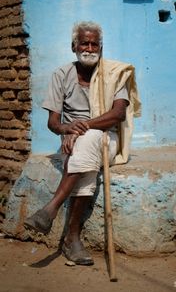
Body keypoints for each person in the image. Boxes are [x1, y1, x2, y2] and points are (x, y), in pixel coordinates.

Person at [24, 21, 141, 265]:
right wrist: (67, 129)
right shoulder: (61, 75)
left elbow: (118, 114)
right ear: (73, 46)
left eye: (94, 43)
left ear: (101, 46)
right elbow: (53, 122)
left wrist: (82, 127)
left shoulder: (114, 74)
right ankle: (72, 239)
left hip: (107, 137)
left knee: (90, 140)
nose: (89, 48)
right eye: (84, 43)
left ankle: (51, 209)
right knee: (86, 164)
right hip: (74, 142)